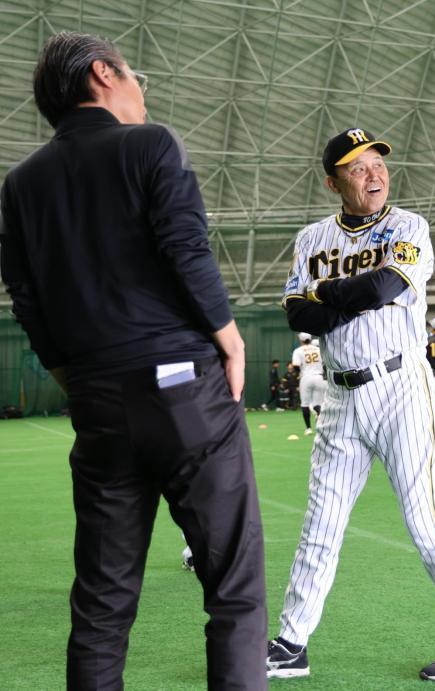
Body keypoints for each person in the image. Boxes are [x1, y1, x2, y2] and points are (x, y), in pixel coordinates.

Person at [0, 32, 267, 689]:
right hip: (186, 391)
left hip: (97, 403)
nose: (140, 88)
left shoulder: (20, 184)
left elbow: (26, 300)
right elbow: (185, 244)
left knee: (102, 602)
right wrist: (230, 338)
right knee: (233, 588)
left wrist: (73, 377)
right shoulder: (151, 143)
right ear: (102, 74)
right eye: (134, 74)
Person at [268, 127, 435, 681]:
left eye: (377, 163)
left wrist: (328, 295)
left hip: (401, 389)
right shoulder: (310, 239)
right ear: (333, 181)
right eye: (357, 167)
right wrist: (338, 296)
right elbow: (298, 316)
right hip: (341, 398)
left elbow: (385, 288)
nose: (373, 173)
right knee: (320, 523)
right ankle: (291, 643)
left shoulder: (408, 226)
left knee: (422, 517)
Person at [291, 332, 326, 433]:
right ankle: (320, 420)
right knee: (317, 404)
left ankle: (308, 428)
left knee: (305, 404)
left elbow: (296, 366)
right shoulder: (319, 349)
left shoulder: (298, 350)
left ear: (301, 340)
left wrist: (300, 373)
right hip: (319, 377)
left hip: (306, 377)